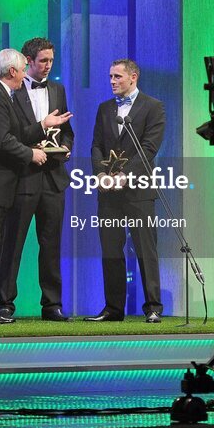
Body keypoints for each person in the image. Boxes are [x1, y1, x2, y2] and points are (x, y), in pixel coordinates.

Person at [0, 48, 73, 324]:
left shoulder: (0, 94)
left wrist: (44, 124)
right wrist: (31, 154)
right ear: (12, 71)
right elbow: (2, 140)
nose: (23, 76)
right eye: (21, 71)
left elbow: (18, 133)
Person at [0, 38, 75, 322]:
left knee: (51, 245)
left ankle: (52, 304)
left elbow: (67, 130)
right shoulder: (11, 90)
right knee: (13, 242)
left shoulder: (57, 89)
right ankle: (5, 302)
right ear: (28, 61)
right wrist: (31, 150)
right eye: (43, 61)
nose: (48, 65)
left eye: (51, 60)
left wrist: (65, 148)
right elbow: (8, 134)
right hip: (23, 177)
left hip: (54, 178)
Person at [86, 59, 166, 323]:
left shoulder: (153, 107)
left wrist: (125, 175)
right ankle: (113, 309)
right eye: (110, 76)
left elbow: (149, 148)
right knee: (111, 249)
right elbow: (96, 145)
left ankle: (153, 307)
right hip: (108, 192)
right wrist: (100, 174)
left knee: (145, 249)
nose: (112, 81)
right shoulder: (105, 108)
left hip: (138, 191)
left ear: (133, 77)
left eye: (117, 76)